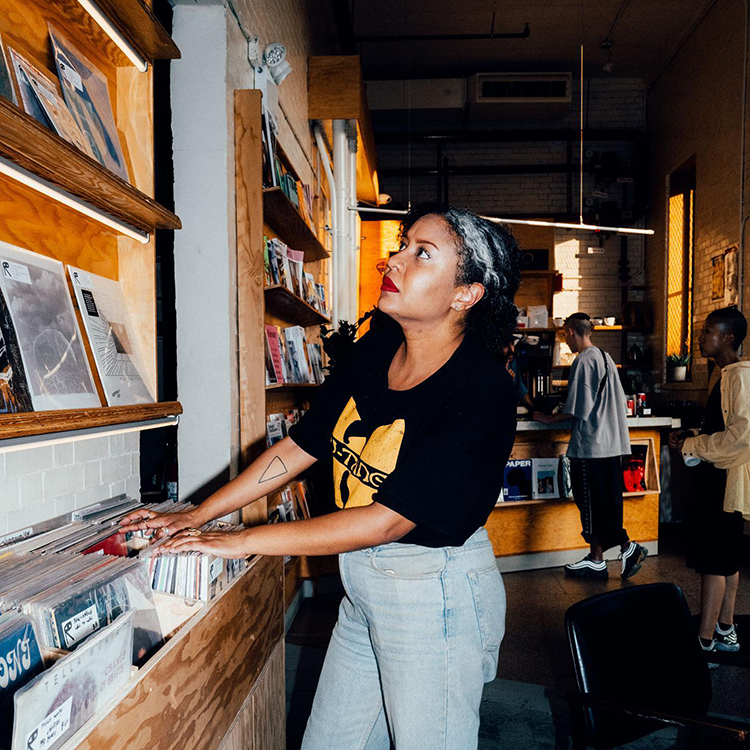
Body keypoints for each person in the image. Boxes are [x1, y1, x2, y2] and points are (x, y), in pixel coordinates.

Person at [121, 204, 521, 750]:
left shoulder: (481, 390)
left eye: (420, 254)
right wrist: (198, 514)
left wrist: (241, 542)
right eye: (403, 244)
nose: (394, 259)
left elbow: (386, 521)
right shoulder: (378, 346)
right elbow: (304, 444)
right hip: (363, 584)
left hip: (436, 593)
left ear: (465, 294)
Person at [533, 313, 648, 580]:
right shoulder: (605, 357)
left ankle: (627, 547)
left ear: (572, 331)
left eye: (564, 334)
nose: (565, 339)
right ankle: (598, 560)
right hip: (610, 444)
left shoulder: (584, 360)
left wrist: (549, 417)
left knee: (590, 504)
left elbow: (578, 408)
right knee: (605, 504)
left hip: (591, 446)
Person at [669, 307, 750, 664]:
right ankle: (725, 630)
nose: (700, 338)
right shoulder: (726, 374)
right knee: (727, 560)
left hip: (724, 481)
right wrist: (695, 435)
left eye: (707, 331)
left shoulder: (739, 377)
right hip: (720, 479)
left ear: (729, 338)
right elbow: (723, 429)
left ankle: (703, 643)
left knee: (714, 564)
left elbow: (741, 436)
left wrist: (692, 445)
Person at [503, 335, 535, 411]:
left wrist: (534, 410)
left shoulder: (512, 362)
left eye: (512, 344)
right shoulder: (488, 367)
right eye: (505, 345)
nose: (512, 350)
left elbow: (520, 389)